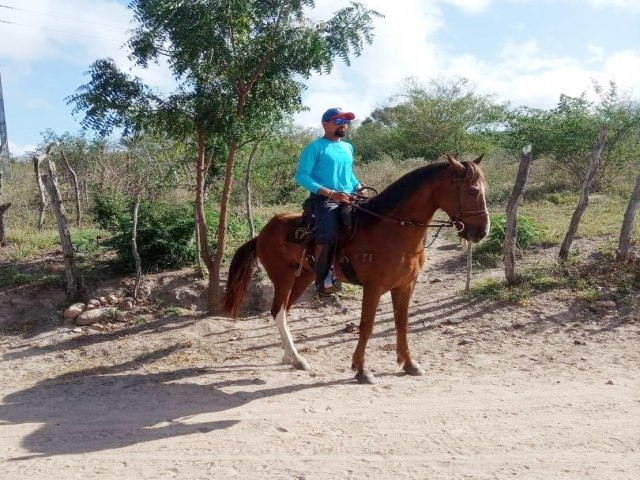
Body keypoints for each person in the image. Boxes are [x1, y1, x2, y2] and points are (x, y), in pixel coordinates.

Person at [294, 107, 363, 296]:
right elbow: (301, 176)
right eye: (339, 121)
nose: (344, 126)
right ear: (325, 124)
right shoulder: (315, 147)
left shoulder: (347, 147)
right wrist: (331, 194)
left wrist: (358, 185)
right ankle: (323, 279)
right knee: (329, 230)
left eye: (347, 122)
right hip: (324, 199)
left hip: (350, 195)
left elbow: (348, 174)